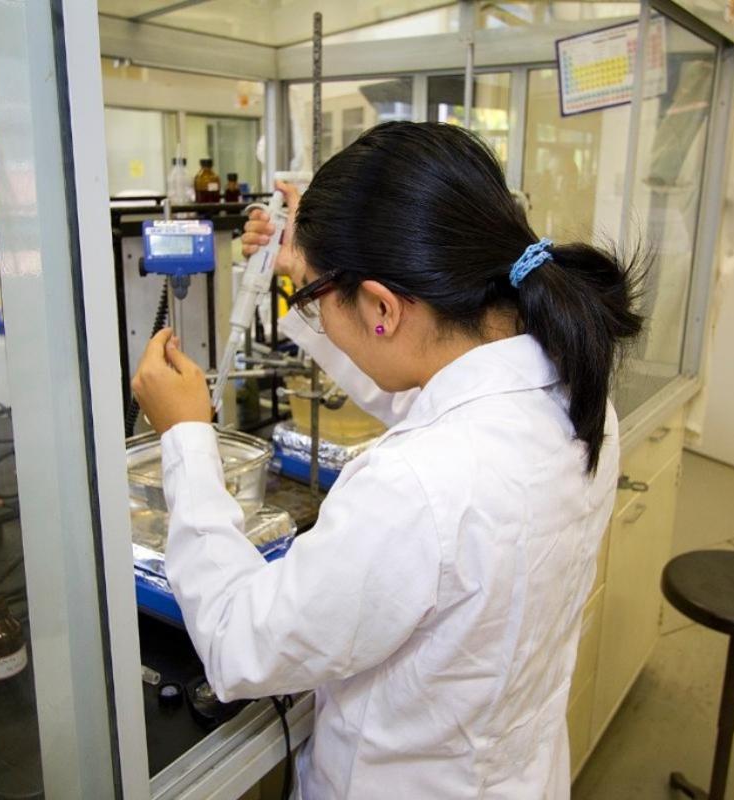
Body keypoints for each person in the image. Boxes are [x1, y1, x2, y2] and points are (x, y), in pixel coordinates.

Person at [132, 122, 643, 798]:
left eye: (316, 301)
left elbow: (239, 642)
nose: (311, 311)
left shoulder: (413, 489)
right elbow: (420, 381)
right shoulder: (571, 391)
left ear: (381, 304)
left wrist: (185, 437)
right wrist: (304, 267)